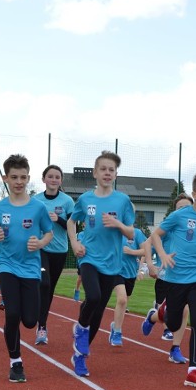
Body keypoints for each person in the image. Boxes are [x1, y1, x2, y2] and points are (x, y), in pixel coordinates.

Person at [149, 172, 196, 388]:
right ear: (195, 194)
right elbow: (156, 235)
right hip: (175, 279)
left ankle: (193, 369)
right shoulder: (180, 215)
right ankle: (162, 312)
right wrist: (163, 255)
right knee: (173, 323)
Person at [0, 154, 53, 382]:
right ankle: (16, 362)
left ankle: (23, 335)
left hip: (31, 267)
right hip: (7, 265)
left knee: (30, 320)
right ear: (6, 178)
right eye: (14, 177)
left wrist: (41, 243)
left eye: (23, 177)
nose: (19, 181)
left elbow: (49, 233)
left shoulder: (38, 208)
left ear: (29, 178)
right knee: (12, 313)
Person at [67, 151, 135, 377]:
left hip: (113, 263)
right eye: (103, 169)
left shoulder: (123, 200)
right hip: (88, 257)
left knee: (97, 313)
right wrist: (75, 242)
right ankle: (79, 330)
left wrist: (117, 223)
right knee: (93, 297)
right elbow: (71, 221)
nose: (107, 173)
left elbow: (131, 233)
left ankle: (80, 356)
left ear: (116, 174)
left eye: (111, 170)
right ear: (95, 173)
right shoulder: (86, 199)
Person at [141, 193, 194, 365]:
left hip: (188, 277)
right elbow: (147, 243)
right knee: (170, 315)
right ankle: (152, 317)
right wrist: (150, 265)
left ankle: (175, 349)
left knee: (185, 310)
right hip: (167, 277)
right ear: (174, 211)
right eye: (180, 208)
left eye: (187, 208)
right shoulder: (168, 228)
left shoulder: (195, 230)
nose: (184, 211)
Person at [33, 164, 75, 345]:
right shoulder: (35, 200)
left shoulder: (67, 201)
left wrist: (59, 219)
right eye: (50, 176)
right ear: (43, 179)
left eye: (57, 177)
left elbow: (73, 226)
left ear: (61, 181)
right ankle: (40, 325)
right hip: (42, 248)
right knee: (44, 282)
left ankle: (42, 325)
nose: (54, 179)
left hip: (60, 250)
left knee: (49, 290)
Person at [110, 221, 147, 347]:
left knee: (125, 299)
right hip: (115, 271)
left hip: (130, 273)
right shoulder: (113, 231)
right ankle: (117, 332)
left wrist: (132, 252)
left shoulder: (137, 233)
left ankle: (115, 325)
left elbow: (146, 250)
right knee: (122, 300)